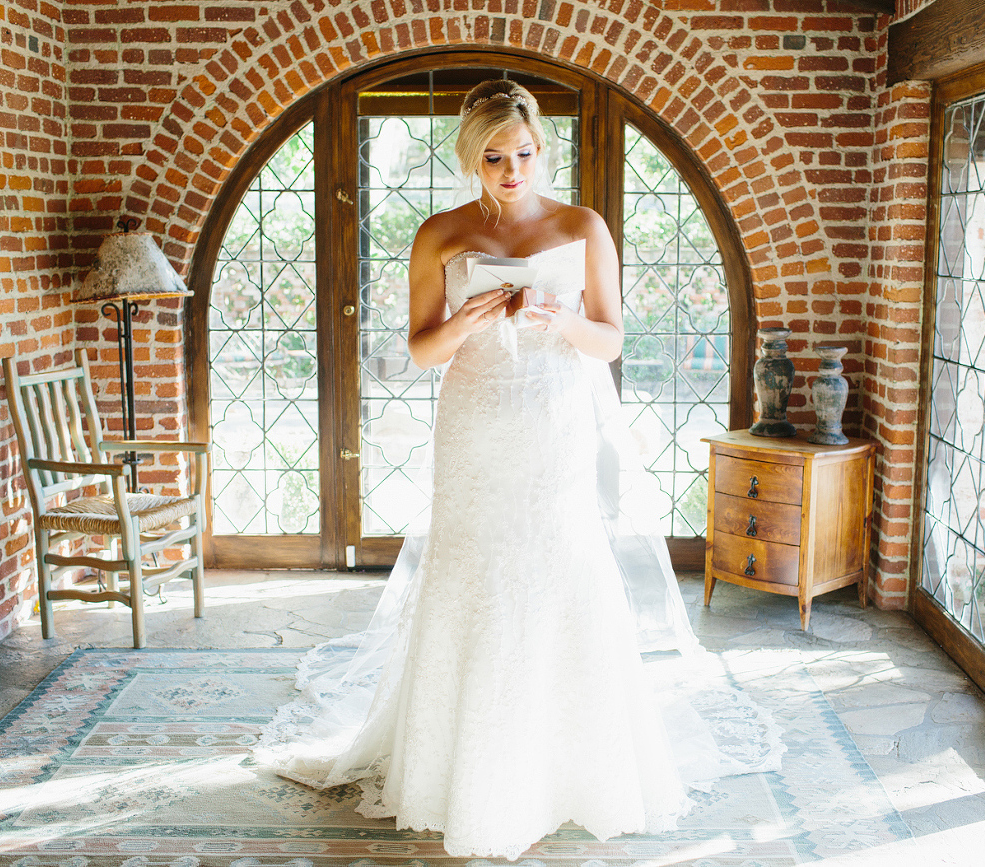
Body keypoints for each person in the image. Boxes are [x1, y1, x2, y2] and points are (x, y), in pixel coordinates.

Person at [255, 80, 783, 861]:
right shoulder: (438, 232)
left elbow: (609, 341)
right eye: (494, 157)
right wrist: (465, 318)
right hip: (474, 424)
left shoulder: (582, 226)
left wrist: (558, 316)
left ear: (544, 148)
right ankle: (461, 764)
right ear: (471, 157)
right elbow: (420, 351)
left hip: (556, 424)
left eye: (523, 154)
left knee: (556, 564)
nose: (510, 170)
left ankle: (567, 762)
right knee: (475, 569)